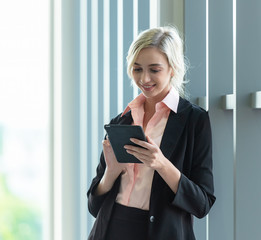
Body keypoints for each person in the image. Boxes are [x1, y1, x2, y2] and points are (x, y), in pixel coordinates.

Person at [87, 26, 215, 240]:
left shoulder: (194, 121)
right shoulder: (121, 121)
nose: (144, 79)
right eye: (137, 69)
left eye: (154, 70)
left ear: (172, 68)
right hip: (109, 231)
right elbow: (93, 206)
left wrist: (161, 164)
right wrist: (111, 173)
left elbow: (202, 204)